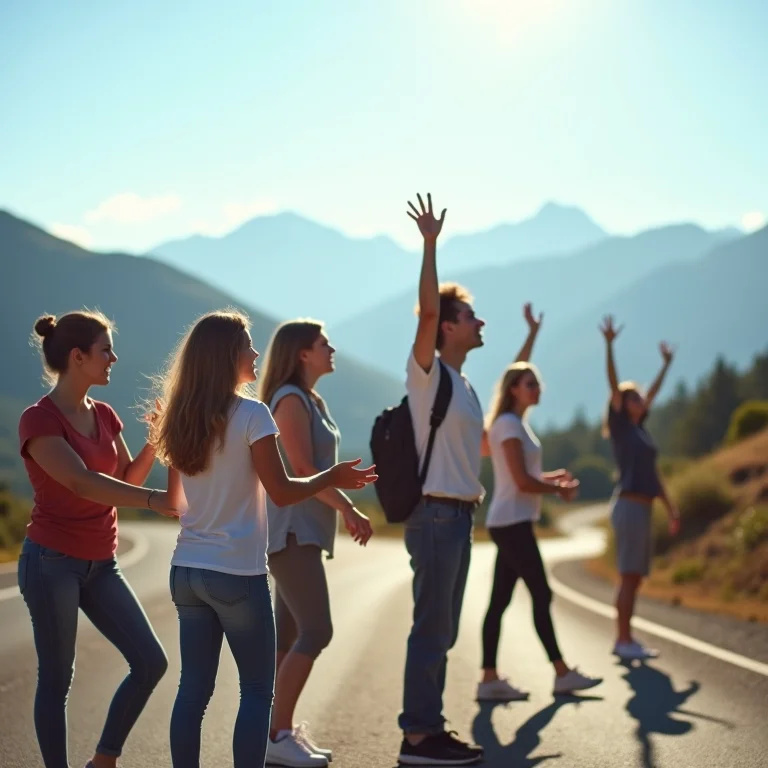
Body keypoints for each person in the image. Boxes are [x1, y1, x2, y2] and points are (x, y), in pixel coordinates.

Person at [151, 310, 377, 768]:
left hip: (186, 569)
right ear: (227, 356)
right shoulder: (252, 414)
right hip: (237, 572)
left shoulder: (179, 415)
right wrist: (331, 475)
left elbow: (176, 503)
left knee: (192, 691)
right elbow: (282, 490)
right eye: (248, 345)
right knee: (256, 690)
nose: (256, 353)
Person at [17, 310, 177, 768]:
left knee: (150, 662)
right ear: (77, 356)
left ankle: (104, 760)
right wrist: (155, 500)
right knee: (56, 680)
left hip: (102, 563)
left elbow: (123, 477)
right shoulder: (39, 420)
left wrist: (153, 441)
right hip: (51, 563)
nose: (113, 357)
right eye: (105, 349)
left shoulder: (103, 415)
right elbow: (83, 482)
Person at [258, 319, 374, 768]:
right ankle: (276, 733)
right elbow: (304, 470)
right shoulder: (288, 400)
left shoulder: (309, 399)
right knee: (317, 630)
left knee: (288, 637)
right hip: (291, 530)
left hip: (303, 531)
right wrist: (348, 507)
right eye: (324, 343)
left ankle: (276, 733)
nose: (332, 349)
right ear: (303, 353)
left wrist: (341, 507)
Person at [397, 193, 488, 767]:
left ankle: (429, 728)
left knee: (444, 630)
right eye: (472, 315)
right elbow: (427, 311)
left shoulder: (464, 384)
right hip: (435, 516)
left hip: (457, 516)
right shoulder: (428, 374)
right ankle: (420, 736)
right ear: (449, 327)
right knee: (431, 629)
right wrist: (431, 245)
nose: (480, 322)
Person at [478, 304, 603, 702]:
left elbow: (525, 478)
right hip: (512, 522)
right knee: (542, 594)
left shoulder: (515, 423)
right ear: (514, 389)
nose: (537, 387)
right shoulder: (508, 425)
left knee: (499, 601)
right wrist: (558, 490)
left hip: (511, 519)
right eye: (530, 383)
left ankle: (488, 678)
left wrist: (553, 478)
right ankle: (561, 672)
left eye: (537, 382)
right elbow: (519, 480)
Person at [600, 315, 680, 661]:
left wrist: (666, 366)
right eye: (631, 398)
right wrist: (609, 345)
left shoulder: (641, 432)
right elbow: (614, 384)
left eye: (638, 398)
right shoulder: (621, 428)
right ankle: (623, 639)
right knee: (629, 575)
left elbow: (655, 474)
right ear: (620, 404)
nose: (638, 400)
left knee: (635, 577)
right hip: (629, 506)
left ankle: (626, 637)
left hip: (643, 507)